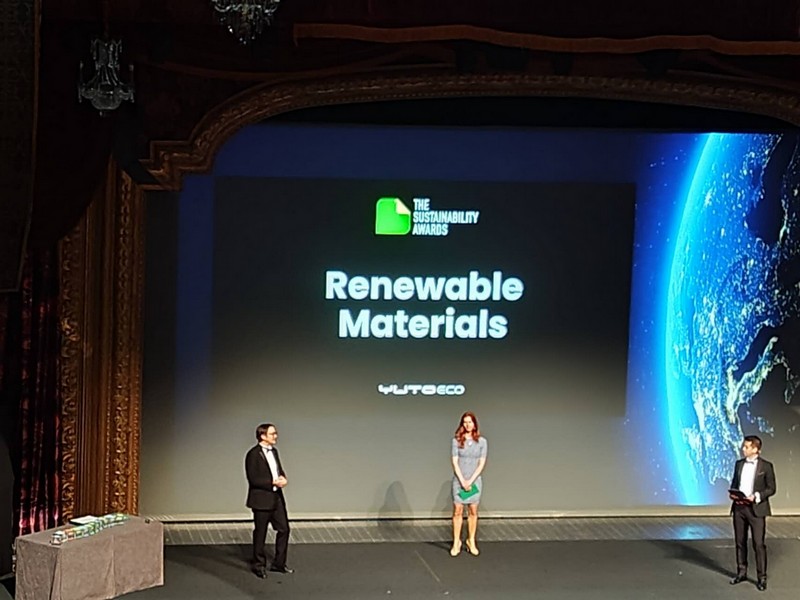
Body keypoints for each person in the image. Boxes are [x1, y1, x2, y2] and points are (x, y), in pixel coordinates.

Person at [728, 435, 776, 592]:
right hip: (739, 508)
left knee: (758, 544)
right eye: (744, 446)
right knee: (740, 542)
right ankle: (741, 572)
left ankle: (762, 577)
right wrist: (734, 494)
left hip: (756, 509)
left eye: (747, 447)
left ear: (755, 449)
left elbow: (771, 488)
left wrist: (756, 496)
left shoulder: (766, 466)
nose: (743, 449)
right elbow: (735, 483)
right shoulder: (739, 464)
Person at [245, 423, 293, 578]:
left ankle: (279, 563)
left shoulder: (274, 452)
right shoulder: (253, 454)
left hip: (276, 498)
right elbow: (253, 479)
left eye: (275, 433)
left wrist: (283, 478)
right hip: (261, 499)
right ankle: (259, 565)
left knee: (284, 529)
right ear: (262, 436)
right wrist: (272, 482)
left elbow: (278, 470)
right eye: (272, 434)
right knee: (261, 532)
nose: (276, 436)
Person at [450, 411, 487, 557]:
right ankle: (456, 542)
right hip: (459, 480)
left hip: (474, 481)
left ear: (474, 424)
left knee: (473, 510)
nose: (467, 425)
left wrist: (470, 481)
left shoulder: (482, 442)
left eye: (470, 422)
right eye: (465, 422)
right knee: (458, 510)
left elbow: (481, 463)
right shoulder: (456, 441)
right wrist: (462, 481)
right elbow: (455, 462)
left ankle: (471, 540)